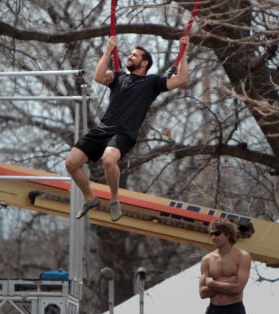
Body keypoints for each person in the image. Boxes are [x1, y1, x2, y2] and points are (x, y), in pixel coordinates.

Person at [65, 35, 189, 222]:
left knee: (109, 160)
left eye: (134, 55)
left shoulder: (152, 83)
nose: (129, 57)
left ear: (144, 62)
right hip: (103, 129)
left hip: (124, 133)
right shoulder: (119, 77)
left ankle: (114, 199)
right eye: (130, 55)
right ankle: (90, 198)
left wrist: (184, 51)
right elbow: (98, 77)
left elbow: (182, 79)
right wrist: (108, 50)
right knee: (72, 163)